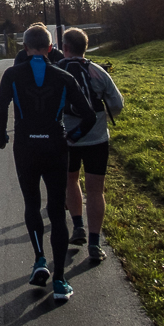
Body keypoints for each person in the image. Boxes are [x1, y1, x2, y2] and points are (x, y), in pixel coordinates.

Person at [0, 24, 96, 302]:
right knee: (55, 209)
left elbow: (1, 106)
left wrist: (2, 136)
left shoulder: (12, 74)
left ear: (24, 49)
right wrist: (71, 137)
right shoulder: (63, 76)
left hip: (25, 145)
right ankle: (60, 280)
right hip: (56, 145)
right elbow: (88, 115)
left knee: (31, 204)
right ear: (51, 48)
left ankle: (39, 259)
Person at [58, 27, 125, 263]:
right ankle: (95, 244)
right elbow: (117, 103)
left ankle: (78, 227)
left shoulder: (58, 71)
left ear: (65, 48)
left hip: (67, 138)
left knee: (70, 180)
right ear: (85, 47)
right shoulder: (97, 72)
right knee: (96, 190)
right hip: (97, 138)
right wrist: (101, 119)